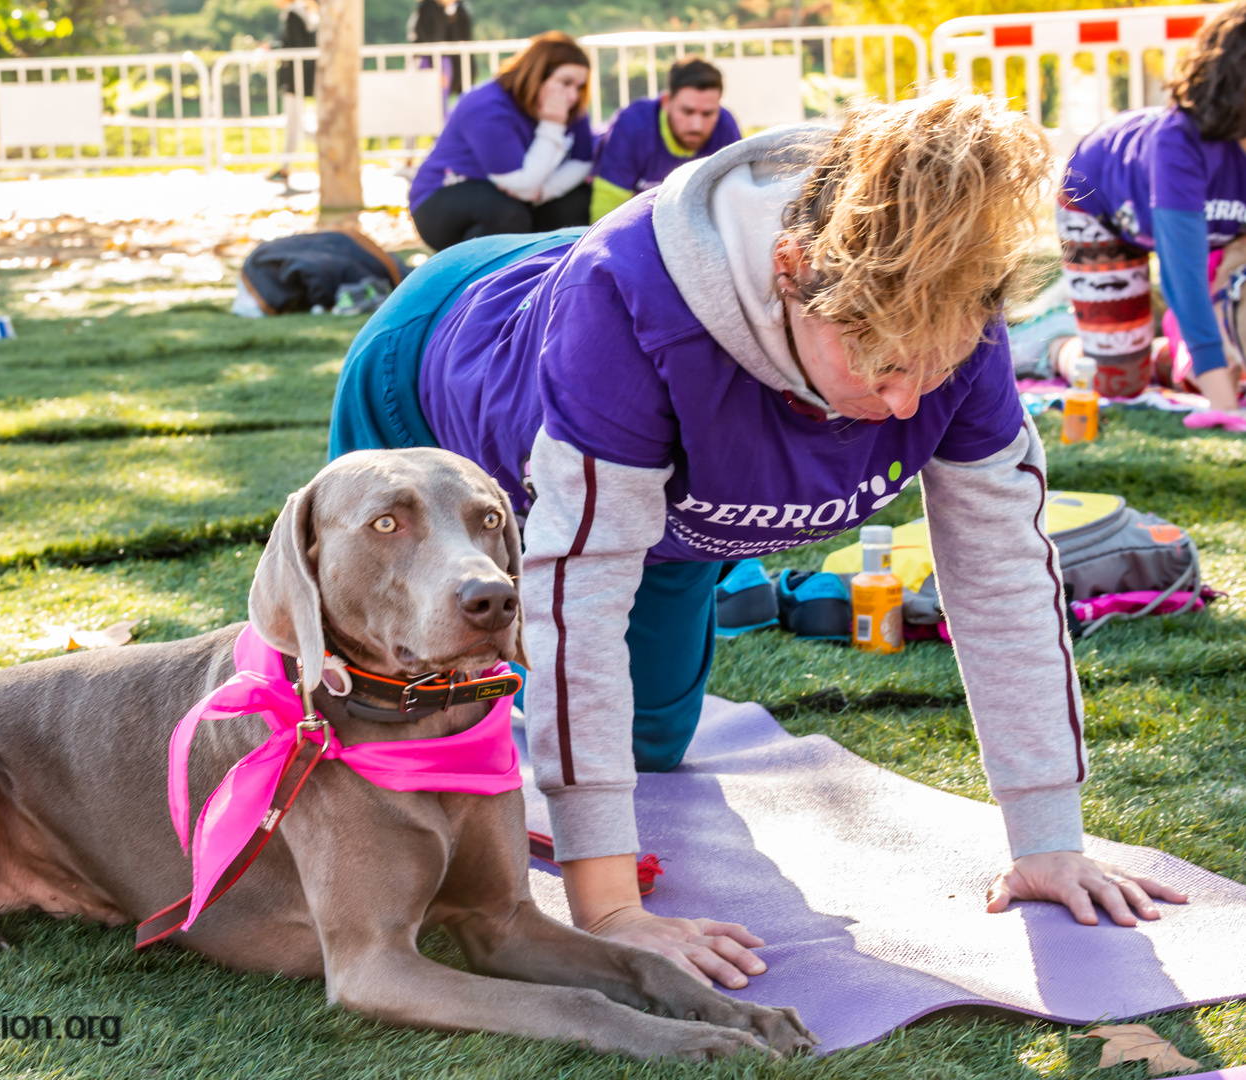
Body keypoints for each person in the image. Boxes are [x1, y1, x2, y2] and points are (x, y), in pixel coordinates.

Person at [332, 90, 1187, 988]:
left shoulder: (951, 326)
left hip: (666, 509)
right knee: (388, 718)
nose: (905, 405)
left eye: (931, 370)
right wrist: (611, 911)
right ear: (792, 271)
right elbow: (576, 599)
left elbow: (1004, 573)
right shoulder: (630, 308)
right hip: (437, 369)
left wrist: (1047, 838)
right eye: (885, 365)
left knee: (649, 743)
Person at [1056, 0, 1246, 411]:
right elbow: (1184, 278)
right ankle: (1052, 341)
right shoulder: (1179, 142)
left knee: (1220, 360)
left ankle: (1157, 345)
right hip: (1099, 204)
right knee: (1119, 382)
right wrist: (1226, 407)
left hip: (1215, 237)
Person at [408, 32, 594, 252]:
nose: (573, 95)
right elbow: (522, 185)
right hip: (443, 196)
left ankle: (551, 275)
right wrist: (552, 125)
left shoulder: (571, 107)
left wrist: (545, 191)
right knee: (507, 214)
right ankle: (478, 281)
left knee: (577, 202)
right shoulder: (485, 105)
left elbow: (584, 161)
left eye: (579, 86)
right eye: (566, 83)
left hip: (520, 196)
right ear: (537, 74)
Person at [591, 58, 742, 222]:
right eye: (687, 111)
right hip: (635, 224)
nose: (697, 126)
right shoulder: (631, 124)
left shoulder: (726, 126)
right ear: (666, 102)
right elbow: (608, 209)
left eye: (708, 114)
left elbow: (736, 202)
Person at [269, 0, 319, 190]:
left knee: (295, 125)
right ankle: (285, 167)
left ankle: (285, 168)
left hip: (295, 79)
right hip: (298, 79)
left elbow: (295, 47)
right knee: (296, 125)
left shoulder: (294, 14)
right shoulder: (301, 14)